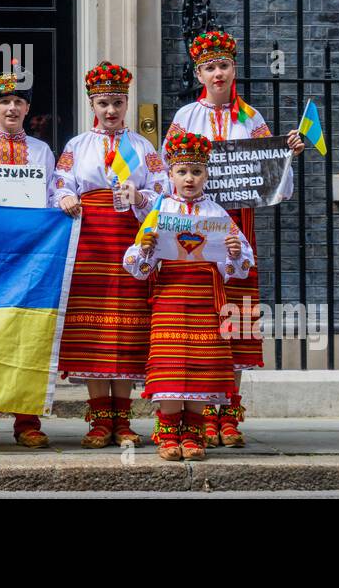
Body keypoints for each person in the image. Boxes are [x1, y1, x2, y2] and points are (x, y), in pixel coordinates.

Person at [165, 29, 304, 448]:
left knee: (237, 315)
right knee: (205, 315)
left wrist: (286, 154)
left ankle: (228, 413)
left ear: (233, 68)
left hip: (237, 224)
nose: (217, 72)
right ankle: (202, 413)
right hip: (197, 225)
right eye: (209, 67)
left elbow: (276, 183)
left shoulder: (252, 118)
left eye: (223, 64)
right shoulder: (185, 117)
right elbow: (166, 176)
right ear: (198, 73)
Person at [53, 61, 167, 448]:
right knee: (94, 327)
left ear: (126, 101)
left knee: (127, 327)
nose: (111, 111)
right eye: (103, 103)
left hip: (130, 242)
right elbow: (60, 181)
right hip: (89, 242)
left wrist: (141, 196)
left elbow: (162, 188)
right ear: (92, 104)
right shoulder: (76, 145)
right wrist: (65, 196)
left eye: (118, 102)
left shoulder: (143, 147)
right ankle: (100, 419)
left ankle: (124, 418)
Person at [121, 129, 254, 461]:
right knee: (171, 362)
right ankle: (168, 431)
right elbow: (135, 265)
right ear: (170, 175)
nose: (190, 178)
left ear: (206, 174)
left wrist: (235, 252)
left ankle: (193, 431)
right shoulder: (160, 210)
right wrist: (146, 249)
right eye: (182, 172)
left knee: (201, 364)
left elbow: (242, 265)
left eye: (196, 171)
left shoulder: (217, 214)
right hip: (170, 295)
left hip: (206, 297)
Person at [0, 64, 57, 450]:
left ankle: (27, 421)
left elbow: (51, 198)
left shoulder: (42, 150)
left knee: (27, 337)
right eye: (4, 101)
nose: (12, 108)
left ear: (27, 107)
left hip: (32, 254)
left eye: (19, 100)